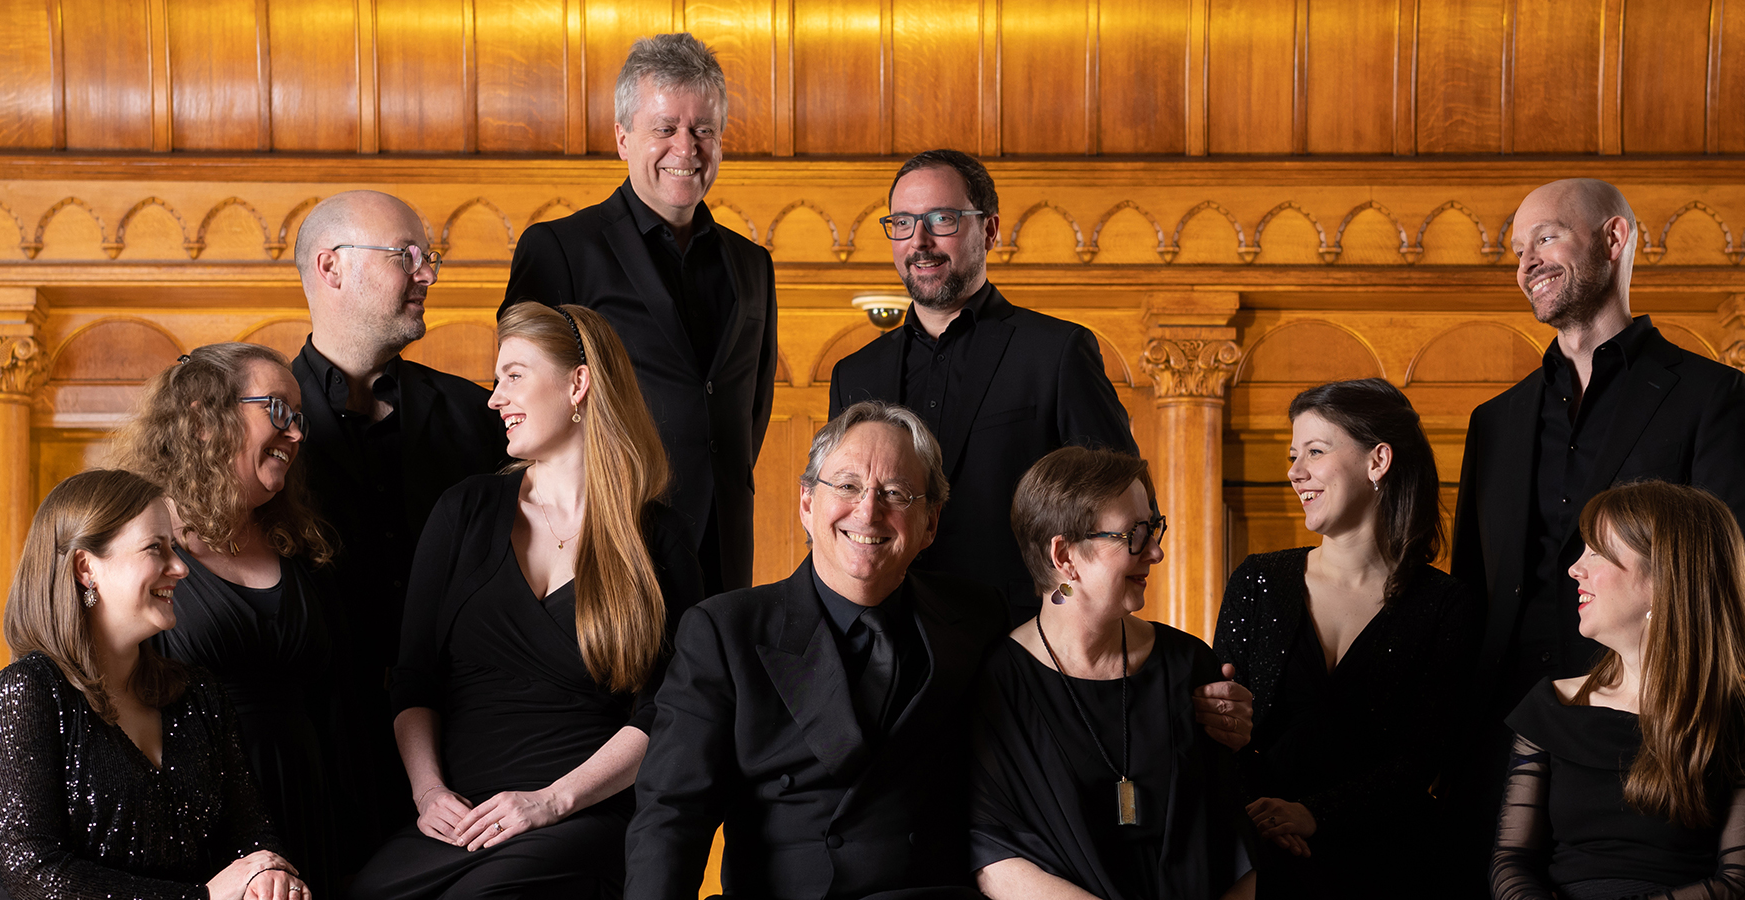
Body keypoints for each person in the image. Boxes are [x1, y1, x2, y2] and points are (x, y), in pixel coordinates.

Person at [1449, 178, 1745, 883]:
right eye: (1515, 250)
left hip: (1651, 741)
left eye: (1545, 237)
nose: (1526, 262)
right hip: (1503, 740)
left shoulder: (1712, 397)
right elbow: (1472, 591)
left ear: (1615, 239)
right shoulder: (1495, 421)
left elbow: (1726, 580)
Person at [350, 302, 704, 900]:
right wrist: (428, 792)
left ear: (578, 383)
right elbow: (414, 681)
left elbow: (664, 712)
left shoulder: (658, 538)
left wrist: (552, 802)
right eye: (496, 379)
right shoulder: (464, 510)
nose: (494, 398)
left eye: (513, 375)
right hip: (461, 817)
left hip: (580, 813)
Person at [624, 401, 1008, 900]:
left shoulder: (978, 618)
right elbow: (671, 816)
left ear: (931, 522)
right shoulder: (725, 632)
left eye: (895, 493)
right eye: (846, 486)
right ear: (807, 502)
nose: (868, 511)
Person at [503, 32, 777, 597]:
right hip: (609, 536)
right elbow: (522, 397)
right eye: (665, 128)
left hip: (724, 544)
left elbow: (751, 408)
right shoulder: (559, 249)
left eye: (703, 130)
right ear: (623, 138)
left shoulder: (754, 264)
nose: (686, 148)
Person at [0, 468, 311, 900]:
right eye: (156, 548)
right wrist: (200, 899)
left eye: (176, 547)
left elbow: (252, 833)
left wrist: (266, 875)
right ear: (84, 568)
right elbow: (33, 875)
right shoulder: (27, 693)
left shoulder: (199, 696)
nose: (180, 568)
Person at [830, 149, 1136, 626]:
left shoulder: (1056, 352)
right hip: (883, 633)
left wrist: (1075, 627)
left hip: (1017, 639)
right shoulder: (855, 373)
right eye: (904, 223)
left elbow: (1123, 504)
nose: (920, 241)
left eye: (942, 219)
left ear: (989, 230)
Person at [290, 189, 510, 848]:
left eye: (429, 256)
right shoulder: (249, 421)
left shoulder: (482, 417)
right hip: (309, 756)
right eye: (406, 255)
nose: (428, 273)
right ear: (331, 267)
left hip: (468, 752)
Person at [1213, 379, 1480, 899]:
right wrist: (1270, 822)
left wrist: (1314, 814)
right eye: (1294, 455)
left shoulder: (1446, 604)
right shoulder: (1259, 581)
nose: (1295, 472)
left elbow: (1422, 757)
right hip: (1258, 854)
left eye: (1315, 451)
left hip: (1390, 864)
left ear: (1377, 461)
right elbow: (1223, 727)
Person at [1491, 481, 1745, 900]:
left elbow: (1740, 886)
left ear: (1664, 578)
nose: (1574, 569)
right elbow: (1511, 862)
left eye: (1596, 552)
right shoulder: (1550, 707)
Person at [107, 343, 344, 891]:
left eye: (300, 418)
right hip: (195, 807)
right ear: (203, 420)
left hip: (307, 798)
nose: (297, 434)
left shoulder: (298, 545)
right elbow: (74, 665)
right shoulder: (132, 538)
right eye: (279, 412)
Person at [971, 446, 1246, 900]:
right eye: (1134, 535)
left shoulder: (1189, 662)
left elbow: (1237, 838)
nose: (1155, 552)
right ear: (1064, 556)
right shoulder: (998, 681)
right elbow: (992, 853)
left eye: (1154, 528)